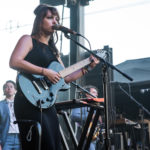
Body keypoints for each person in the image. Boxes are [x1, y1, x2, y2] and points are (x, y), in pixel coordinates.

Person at [9, 4, 99, 150]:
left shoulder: (54, 51)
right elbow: (14, 61)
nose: (55, 22)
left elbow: (65, 78)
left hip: (47, 104)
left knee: (53, 144)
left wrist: (88, 67)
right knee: (37, 143)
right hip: (28, 100)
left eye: (57, 19)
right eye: (50, 18)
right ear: (39, 21)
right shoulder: (28, 40)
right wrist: (45, 72)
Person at [71, 85, 102, 150]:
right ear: (87, 94)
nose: (96, 94)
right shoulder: (81, 104)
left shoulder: (95, 105)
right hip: (84, 135)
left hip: (94, 136)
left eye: (96, 93)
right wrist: (91, 117)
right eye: (94, 92)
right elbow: (73, 116)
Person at [0, 80, 22, 150]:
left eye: (11, 87)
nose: (9, 88)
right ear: (4, 90)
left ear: (15, 90)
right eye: (6, 87)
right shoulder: (0, 105)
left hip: (20, 137)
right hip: (6, 138)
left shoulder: (20, 105)